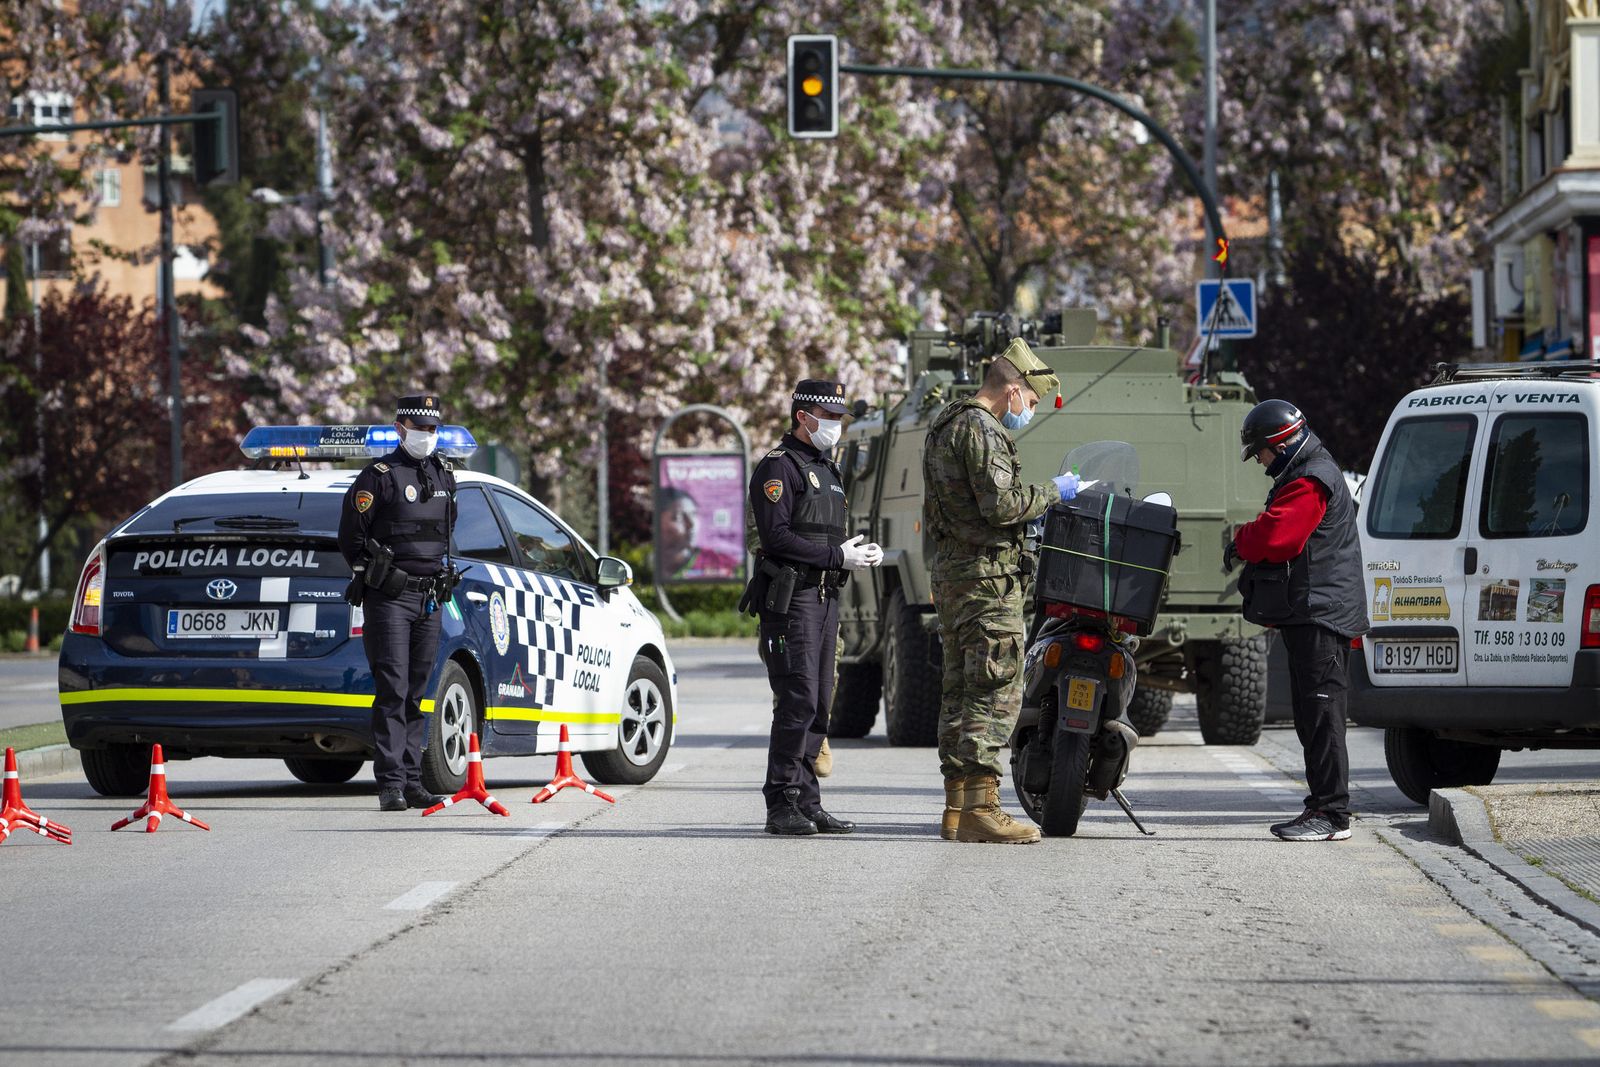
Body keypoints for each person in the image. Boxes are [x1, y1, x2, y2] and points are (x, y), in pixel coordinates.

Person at [923, 339, 1080, 844]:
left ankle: (956, 807)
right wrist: (1057, 491)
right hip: (988, 584)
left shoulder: (946, 421)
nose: (1029, 412)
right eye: (1031, 402)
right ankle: (983, 809)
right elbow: (1003, 507)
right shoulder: (982, 428)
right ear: (1014, 389)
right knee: (995, 692)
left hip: (954, 578)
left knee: (960, 691)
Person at [1226, 399, 1368, 842]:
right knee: (1312, 714)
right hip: (1315, 610)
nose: (1261, 462)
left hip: (1322, 613)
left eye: (1262, 452)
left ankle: (1332, 813)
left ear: (1281, 443)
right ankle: (1322, 806)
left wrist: (1240, 539)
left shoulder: (1310, 478)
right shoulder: (1306, 470)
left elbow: (1279, 535)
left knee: (1322, 713)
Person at [747, 378, 882, 835]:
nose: (835, 427)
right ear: (804, 417)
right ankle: (780, 802)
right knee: (797, 699)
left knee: (821, 702)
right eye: (828, 418)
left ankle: (807, 801)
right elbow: (777, 537)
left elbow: (822, 534)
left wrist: (855, 551)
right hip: (793, 599)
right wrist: (834, 556)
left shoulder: (827, 469)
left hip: (825, 597)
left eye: (839, 419)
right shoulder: (777, 468)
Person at [338, 395, 460, 812]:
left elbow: (446, 532)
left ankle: (412, 781)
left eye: (433, 429)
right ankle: (390, 783)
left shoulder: (444, 475)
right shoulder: (379, 476)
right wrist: (375, 573)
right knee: (393, 688)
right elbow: (350, 537)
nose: (428, 436)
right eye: (420, 428)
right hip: (390, 598)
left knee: (416, 693)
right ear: (400, 427)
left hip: (429, 597)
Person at [659, 486, 741, 580]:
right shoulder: (645, 564)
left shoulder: (721, 562)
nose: (691, 524)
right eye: (679, 517)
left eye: (694, 514)